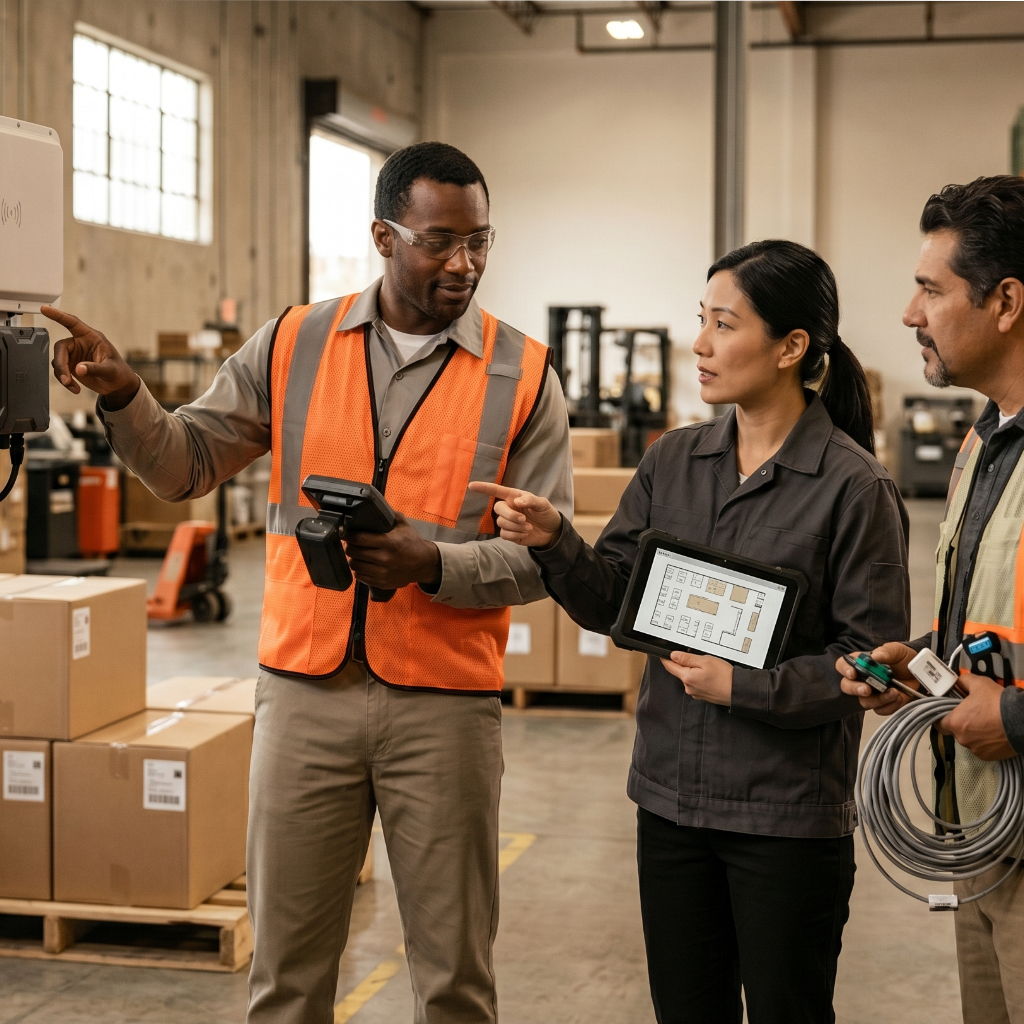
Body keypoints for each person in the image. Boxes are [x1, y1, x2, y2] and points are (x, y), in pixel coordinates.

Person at [45, 141, 572, 1024]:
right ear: (383, 235)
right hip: (305, 696)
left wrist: (433, 563)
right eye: (441, 241)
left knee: (454, 981)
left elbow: (547, 555)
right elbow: (185, 466)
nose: (465, 263)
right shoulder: (294, 342)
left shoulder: (523, 375)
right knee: (286, 980)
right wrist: (127, 395)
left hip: (443, 706)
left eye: (481, 241)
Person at [471, 239, 910, 1024]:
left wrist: (746, 685)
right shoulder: (675, 459)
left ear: (791, 347)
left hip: (784, 819)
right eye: (699, 321)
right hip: (672, 805)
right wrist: (555, 540)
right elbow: (616, 601)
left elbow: (868, 663)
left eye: (722, 324)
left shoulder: (854, 487)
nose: (700, 345)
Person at [837, 174, 1024, 1024]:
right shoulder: (986, 440)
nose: (911, 314)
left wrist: (1014, 721)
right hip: (985, 837)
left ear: (1007, 301)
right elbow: (994, 619)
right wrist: (923, 670)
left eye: (930, 289)